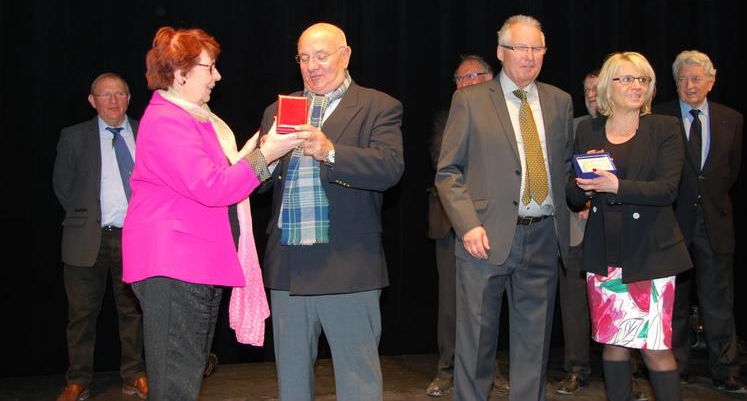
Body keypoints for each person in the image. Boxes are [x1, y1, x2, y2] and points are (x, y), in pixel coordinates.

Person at [122, 26, 302, 400]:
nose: (217, 76)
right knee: (175, 385)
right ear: (180, 72)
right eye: (210, 67)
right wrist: (264, 156)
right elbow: (215, 186)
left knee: (184, 379)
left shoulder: (194, 120)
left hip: (192, 265)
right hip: (174, 266)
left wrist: (261, 150)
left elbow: (225, 175)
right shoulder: (169, 122)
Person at [258, 22, 404, 400]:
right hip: (288, 267)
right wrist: (263, 158)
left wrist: (331, 151)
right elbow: (257, 183)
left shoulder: (378, 106)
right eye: (304, 58)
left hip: (348, 266)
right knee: (291, 385)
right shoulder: (279, 109)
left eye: (321, 56)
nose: (312, 66)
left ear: (346, 54)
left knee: (358, 383)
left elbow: (390, 169)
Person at [436, 14, 574, 400]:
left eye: (537, 49)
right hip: (485, 238)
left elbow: (564, 169)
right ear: (501, 52)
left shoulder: (560, 101)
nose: (529, 57)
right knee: (476, 345)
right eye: (520, 48)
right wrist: (467, 225)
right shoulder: (469, 100)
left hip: (544, 236)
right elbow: (447, 172)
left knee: (534, 348)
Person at [567, 52, 692, 401]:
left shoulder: (664, 128)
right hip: (605, 254)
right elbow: (573, 196)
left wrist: (616, 186)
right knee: (614, 343)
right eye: (627, 79)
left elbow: (668, 189)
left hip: (651, 256)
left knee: (654, 347)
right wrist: (582, 184)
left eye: (643, 80)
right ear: (608, 85)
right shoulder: (588, 129)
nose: (636, 86)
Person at [654, 50, 746, 395]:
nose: (689, 85)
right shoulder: (660, 116)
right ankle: (674, 367)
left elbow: (728, 173)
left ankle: (725, 370)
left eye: (696, 79)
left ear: (711, 81)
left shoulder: (731, 119)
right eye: (683, 79)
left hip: (715, 225)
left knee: (718, 301)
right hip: (673, 224)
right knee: (673, 301)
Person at [53, 73, 148, 401]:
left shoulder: (146, 132)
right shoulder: (73, 136)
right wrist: (89, 219)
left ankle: (134, 374)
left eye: (119, 94)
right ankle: (78, 380)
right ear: (92, 101)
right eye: (105, 95)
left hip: (134, 239)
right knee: (81, 315)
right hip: (86, 239)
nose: (113, 101)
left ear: (129, 98)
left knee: (133, 313)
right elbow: (62, 187)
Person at [426, 55, 510, 397]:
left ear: (490, 78)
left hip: (497, 222)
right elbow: (442, 162)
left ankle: (493, 369)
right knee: (451, 304)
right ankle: (446, 370)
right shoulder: (445, 117)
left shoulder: (506, 116)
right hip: (453, 223)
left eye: (472, 76)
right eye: (459, 79)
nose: (464, 83)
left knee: (493, 303)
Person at [555, 69, 598, 396]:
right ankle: (576, 369)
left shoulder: (635, 130)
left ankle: (633, 373)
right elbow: (560, 174)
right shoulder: (573, 128)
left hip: (620, 233)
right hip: (576, 228)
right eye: (588, 91)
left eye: (599, 89)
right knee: (573, 305)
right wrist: (577, 198)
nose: (593, 95)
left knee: (623, 303)